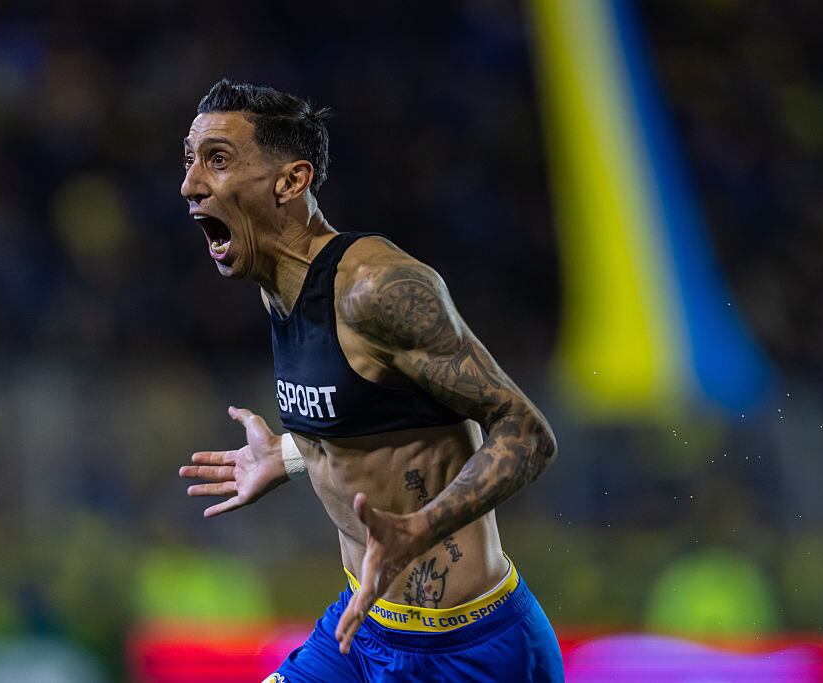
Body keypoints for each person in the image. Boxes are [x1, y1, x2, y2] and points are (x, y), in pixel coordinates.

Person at [179, 79, 564, 682]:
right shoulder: (276, 291)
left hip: (472, 651)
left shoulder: (378, 288)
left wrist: (421, 528)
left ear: (291, 182)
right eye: (190, 161)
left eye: (217, 160)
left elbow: (527, 432)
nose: (190, 184)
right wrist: (288, 454)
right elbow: (374, 417)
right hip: (360, 633)